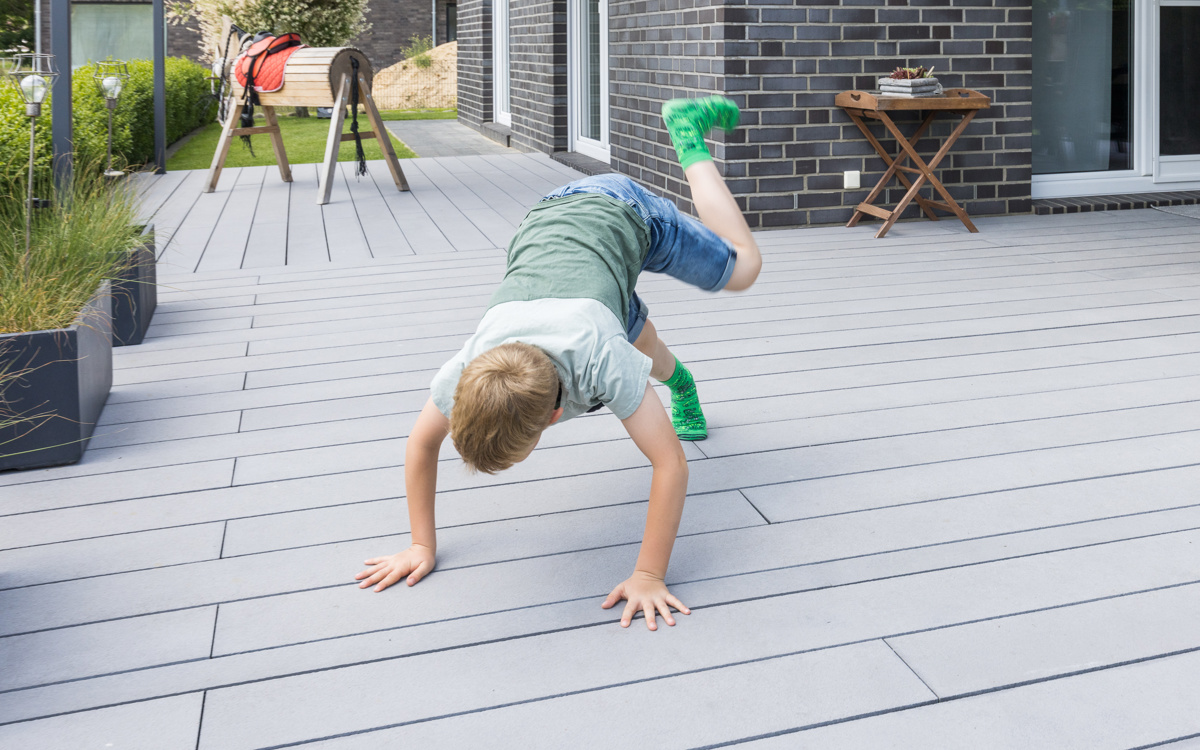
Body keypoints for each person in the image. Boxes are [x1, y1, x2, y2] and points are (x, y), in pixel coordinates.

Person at [355, 96, 762, 631]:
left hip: (623, 212)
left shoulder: (600, 360)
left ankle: (687, 135)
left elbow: (670, 466)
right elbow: (421, 443)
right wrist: (419, 544)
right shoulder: (465, 371)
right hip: (555, 231)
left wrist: (648, 574)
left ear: (552, 416)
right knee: (637, 342)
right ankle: (681, 383)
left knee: (743, 269)